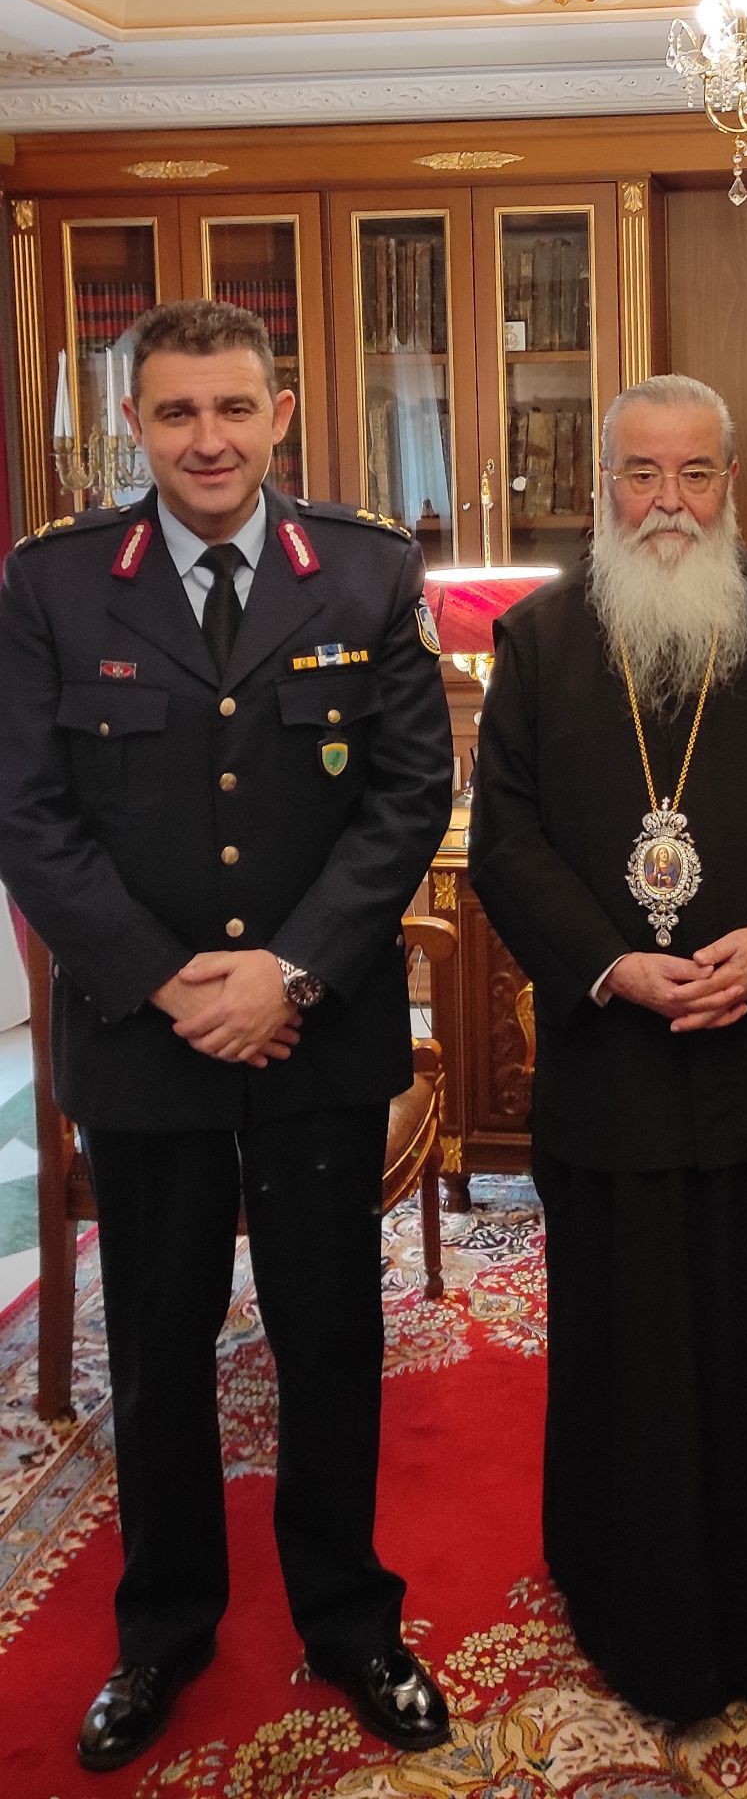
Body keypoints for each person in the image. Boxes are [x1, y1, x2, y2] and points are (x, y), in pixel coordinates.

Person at [0, 300, 455, 1771]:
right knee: (157, 1344)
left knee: (328, 1333)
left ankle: (351, 1617)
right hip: (145, 1040)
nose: (209, 439)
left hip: (316, 1033)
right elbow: (28, 813)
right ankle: (162, 1630)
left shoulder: (368, 570)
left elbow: (409, 794)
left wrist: (290, 975)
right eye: (178, 411)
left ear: (280, 416)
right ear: (135, 425)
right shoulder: (56, 582)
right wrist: (170, 983)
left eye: (235, 408)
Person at [468, 373, 747, 1724]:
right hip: (616, 1073)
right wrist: (609, 963)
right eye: (641, 474)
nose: (668, 502)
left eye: (695, 473)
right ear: (601, 485)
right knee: (634, 1358)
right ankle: (640, 1615)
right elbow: (504, 839)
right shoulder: (540, 641)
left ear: (733, 482)